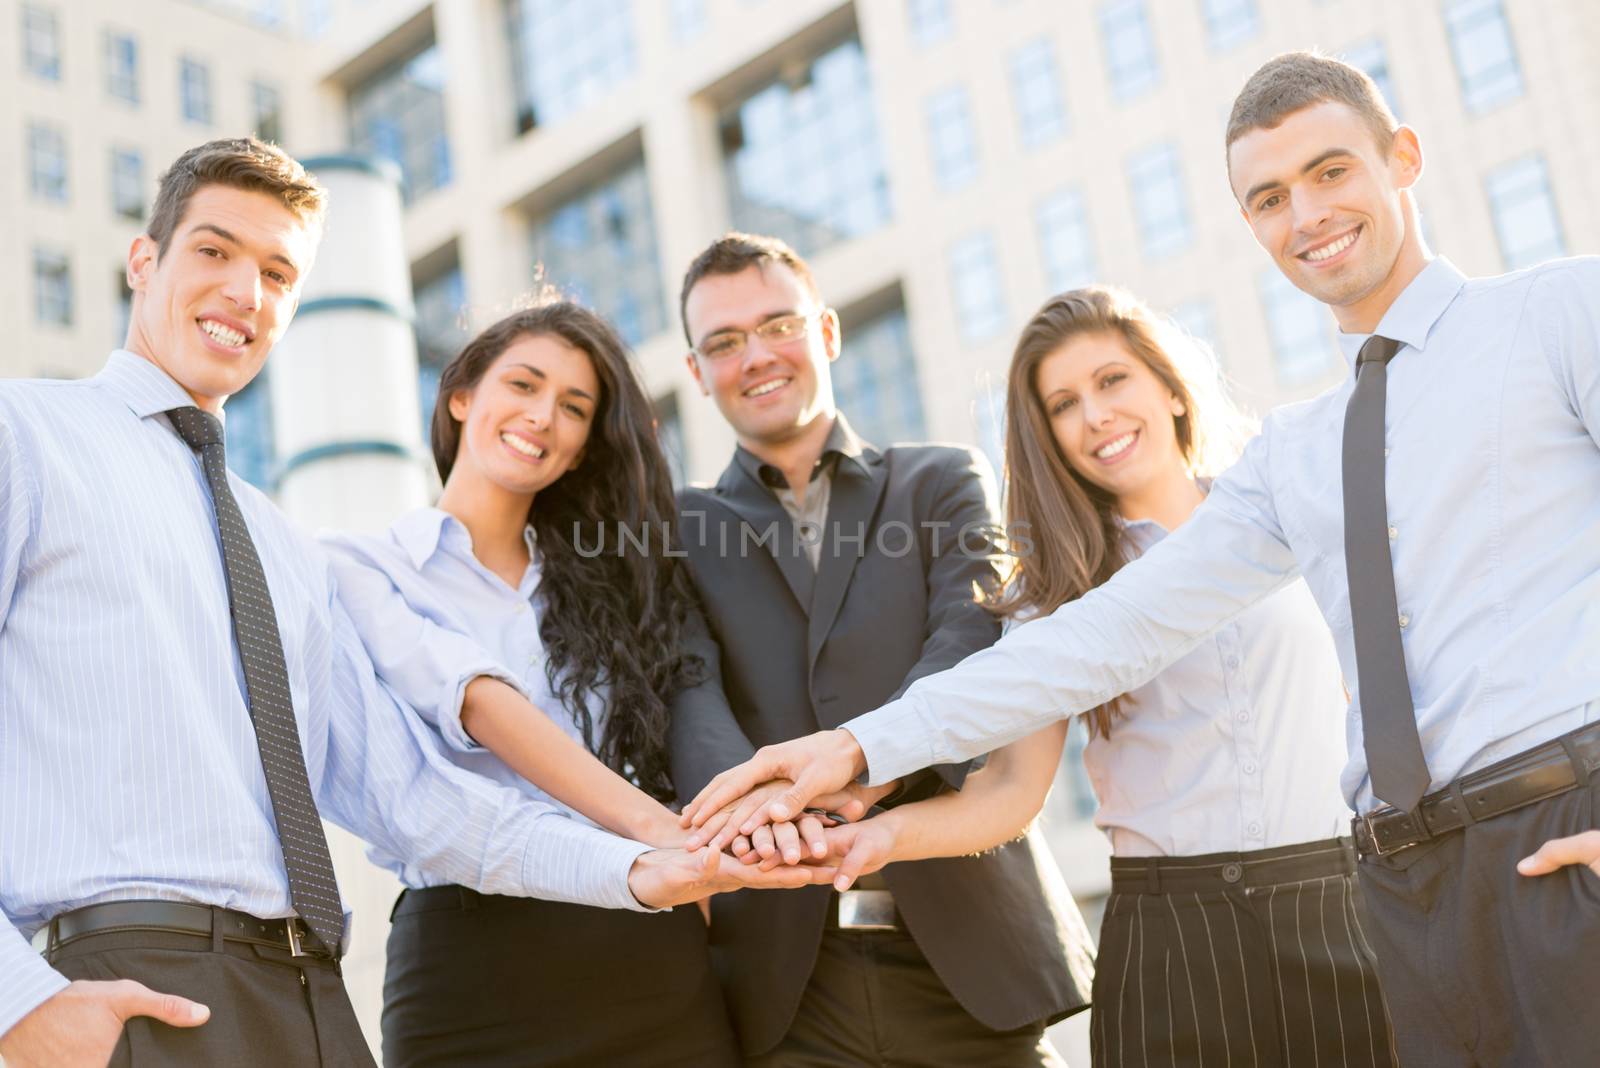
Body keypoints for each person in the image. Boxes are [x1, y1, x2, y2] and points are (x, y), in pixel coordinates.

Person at [683, 53, 1600, 1067]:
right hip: (1410, 889)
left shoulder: (1558, 317)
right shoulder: (1295, 457)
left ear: (1402, 158)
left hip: (1558, 823)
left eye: (1331, 172)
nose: (1306, 215)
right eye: (1268, 197)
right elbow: (1098, 638)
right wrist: (857, 749)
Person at [0, 139, 824, 1068]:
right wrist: (17, 1003)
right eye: (214, 251)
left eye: (278, 272)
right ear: (143, 262)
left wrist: (636, 869)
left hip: (307, 992)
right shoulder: (24, 436)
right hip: (119, 978)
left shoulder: (281, 543)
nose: (246, 293)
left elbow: (416, 796)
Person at [747, 284, 1397, 1065]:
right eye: (1063, 404)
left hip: (1338, 902)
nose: (1095, 417)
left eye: (1113, 380)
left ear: (1171, 388)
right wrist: (876, 837)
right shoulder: (1055, 595)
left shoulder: (1291, 515)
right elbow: (1009, 793)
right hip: (1171, 933)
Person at [323, 298, 862, 1066]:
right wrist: (664, 833)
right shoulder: (362, 566)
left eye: (573, 407)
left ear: (581, 450)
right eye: (523, 385)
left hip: (646, 951)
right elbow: (478, 703)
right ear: (462, 396)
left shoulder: (620, 589)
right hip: (468, 965)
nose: (543, 417)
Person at [669, 233, 1094, 1066]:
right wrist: (767, 821)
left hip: (971, 962)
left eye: (776, 325)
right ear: (695, 372)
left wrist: (859, 776)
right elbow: (689, 691)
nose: (755, 356)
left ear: (825, 332)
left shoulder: (939, 480)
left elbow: (969, 641)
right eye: (723, 342)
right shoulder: (677, 530)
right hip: (785, 986)